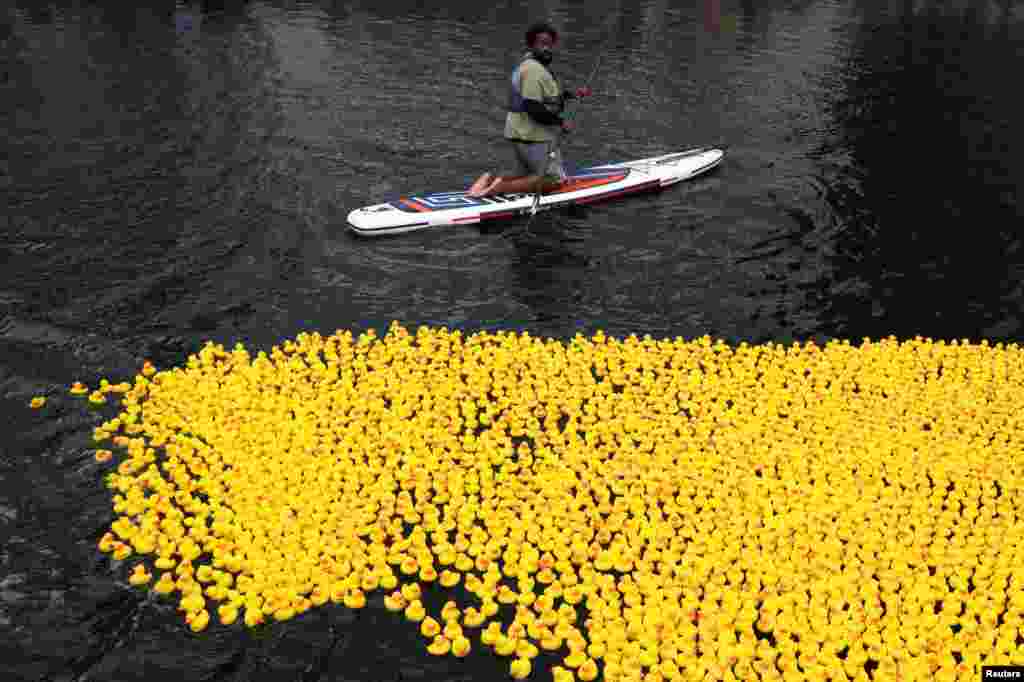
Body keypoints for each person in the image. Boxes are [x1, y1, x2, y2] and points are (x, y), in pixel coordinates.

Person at [467, 22, 593, 198]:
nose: (547, 48)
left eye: (550, 44)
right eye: (542, 43)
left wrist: (573, 94)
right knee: (553, 180)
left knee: (524, 174)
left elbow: (547, 96)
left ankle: (489, 180)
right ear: (531, 45)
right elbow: (533, 107)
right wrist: (560, 122)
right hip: (534, 136)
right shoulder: (534, 70)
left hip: (520, 133)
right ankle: (500, 188)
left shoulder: (529, 65)